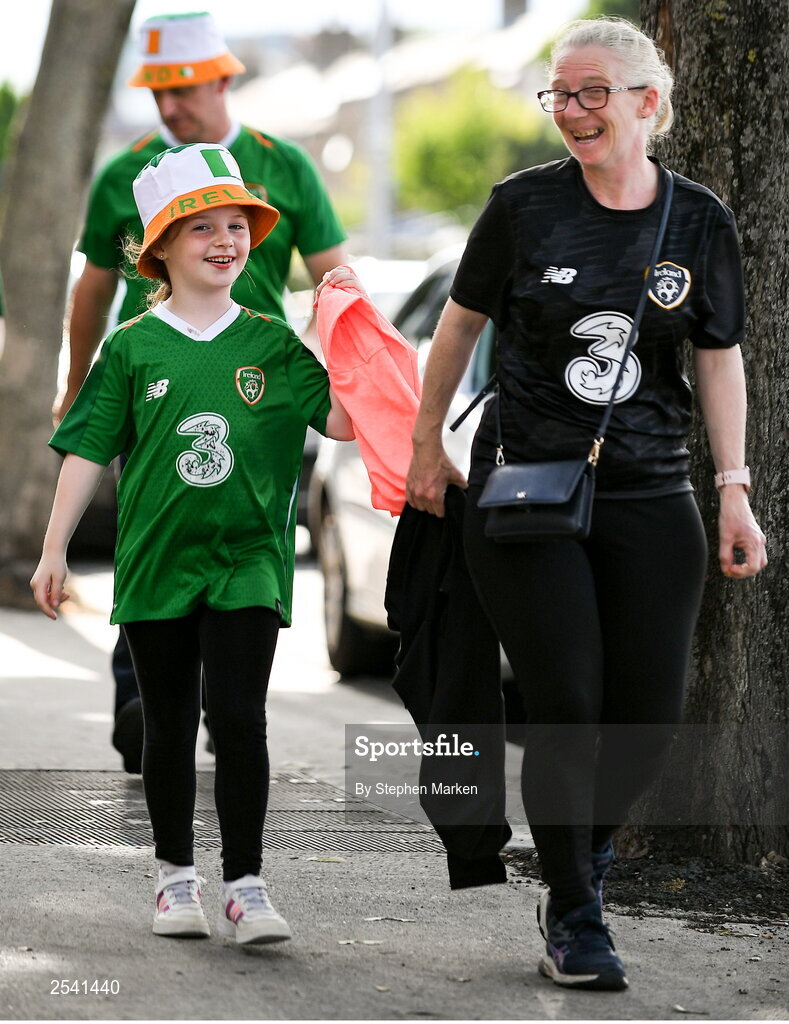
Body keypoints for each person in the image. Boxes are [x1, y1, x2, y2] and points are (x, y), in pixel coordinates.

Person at [405, 17, 767, 992]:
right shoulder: (522, 207)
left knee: (649, 717)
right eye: (559, 95)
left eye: (592, 93)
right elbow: (458, 326)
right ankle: (575, 907)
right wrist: (425, 444)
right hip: (525, 482)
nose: (570, 112)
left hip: (651, 487)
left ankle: (582, 856)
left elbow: (718, 357)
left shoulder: (698, 221)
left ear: (650, 101)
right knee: (566, 700)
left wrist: (734, 491)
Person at [31, 144, 354, 942]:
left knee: (239, 717)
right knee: (169, 723)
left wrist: (344, 338)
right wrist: (53, 550)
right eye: (202, 226)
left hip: (249, 560)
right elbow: (86, 451)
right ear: (161, 250)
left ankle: (245, 884)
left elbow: (344, 422)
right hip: (155, 563)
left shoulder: (274, 344)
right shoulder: (133, 347)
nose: (225, 239)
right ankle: (175, 878)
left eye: (237, 224)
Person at [55, 11, 348, 773]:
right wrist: (73, 383)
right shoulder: (126, 176)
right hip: (153, 386)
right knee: (156, 530)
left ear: (222, 78)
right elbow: (90, 291)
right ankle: (149, 696)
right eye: (157, 91)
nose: (169, 105)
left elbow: (335, 280)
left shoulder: (283, 166)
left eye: (182, 88)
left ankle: (227, 703)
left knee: (245, 538)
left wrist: (342, 368)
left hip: (256, 395)